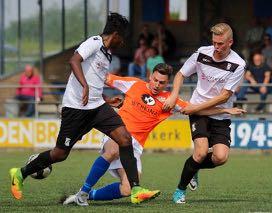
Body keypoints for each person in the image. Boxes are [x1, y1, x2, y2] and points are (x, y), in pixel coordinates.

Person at [9, 12, 159, 204]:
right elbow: (74, 60)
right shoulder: (95, 42)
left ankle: (136, 188)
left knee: (124, 138)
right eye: (123, 38)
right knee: (60, 153)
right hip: (76, 108)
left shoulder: (107, 54)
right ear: (115, 34)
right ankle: (20, 173)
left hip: (97, 107)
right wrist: (85, 85)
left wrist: (106, 99)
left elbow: (94, 80)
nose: (123, 43)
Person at [62, 63, 245, 206]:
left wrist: (225, 111)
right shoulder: (134, 84)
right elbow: (105, 78)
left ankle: (85, 196)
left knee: (127, 189)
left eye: (162, 82)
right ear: (150, 76)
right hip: (118, 133)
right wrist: (84, 76)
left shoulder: (169, 100)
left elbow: (194, 110)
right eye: (155, 80)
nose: (157, 85)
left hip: (135, 147)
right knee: (113, 149)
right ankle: (84, 192)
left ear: (168, 84)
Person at [162, 23, 246, 204]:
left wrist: (195, 108)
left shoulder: (238, 64)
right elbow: (180, 75)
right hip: (198, 111)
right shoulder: (201, 53)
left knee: (221, 157)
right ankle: (180, 190)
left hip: (217, 115)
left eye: (221, 43)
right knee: (200, 153)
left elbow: (224, 97)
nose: (216, 47)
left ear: (230, 42)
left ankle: (194, 168)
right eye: (214, 42)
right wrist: (174, 95)